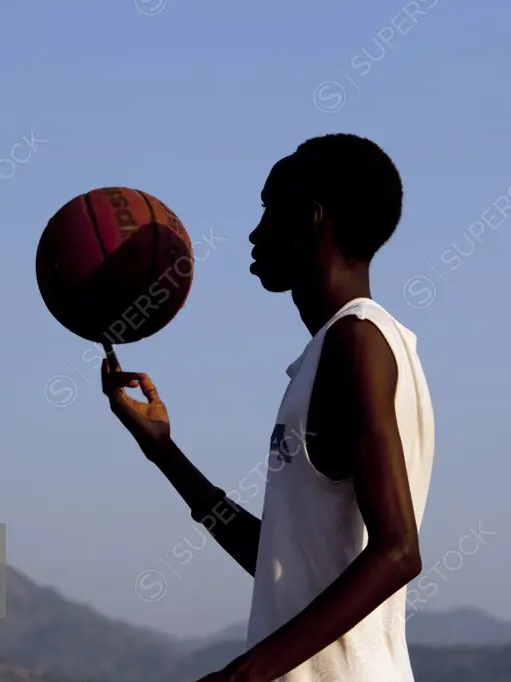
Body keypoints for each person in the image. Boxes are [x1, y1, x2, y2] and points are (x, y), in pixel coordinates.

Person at [101, 133, 435, 682]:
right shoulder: (343, 347)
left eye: (268, 210)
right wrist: (164, 454)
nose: (255, 233)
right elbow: (279, 565)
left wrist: (246, 673)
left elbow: (399, 551)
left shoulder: (358, 342)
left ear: (310, 218)